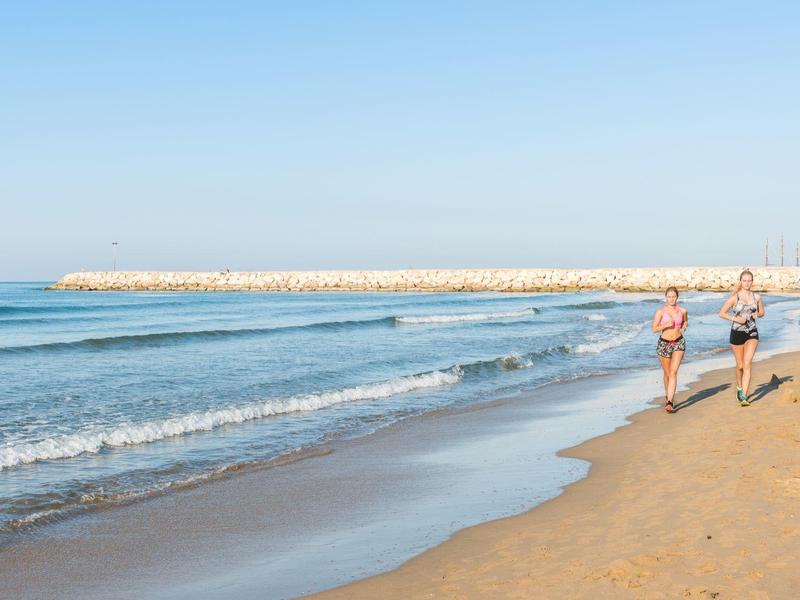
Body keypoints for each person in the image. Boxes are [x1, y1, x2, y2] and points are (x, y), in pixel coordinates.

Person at [719, 270, 765, 406]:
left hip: (752, 332)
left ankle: (744, 396)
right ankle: (739, 388)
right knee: (740, 365)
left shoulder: (757, 297)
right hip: (737, 333)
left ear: (752, 282)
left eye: (749, 280)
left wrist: (758, 314)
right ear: (741, 282)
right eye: (744, 280)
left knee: (747, 363)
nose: (747, 283)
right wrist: (735, 318)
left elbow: (762, 312)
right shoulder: (735, 298)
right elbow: (721, 313)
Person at [652, 286, 688, 413]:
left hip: (678, 342)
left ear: (677, 297)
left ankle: (670, 402)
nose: (671, 299)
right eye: (669, 297)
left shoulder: (682, 311)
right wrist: (665, 325)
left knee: (673, 373)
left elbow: (685, 322)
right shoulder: (660, 312)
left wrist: (684, 326)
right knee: (667, 374)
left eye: (673, 296)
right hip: (664, 344)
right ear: (666, 298)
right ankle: (669, 395)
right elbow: (654, 328)